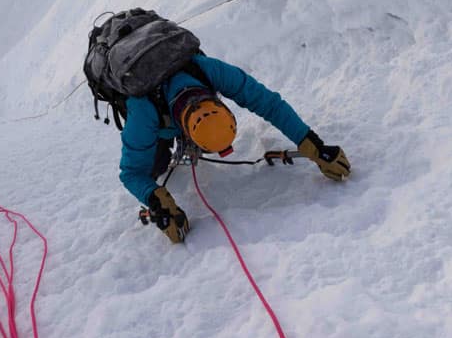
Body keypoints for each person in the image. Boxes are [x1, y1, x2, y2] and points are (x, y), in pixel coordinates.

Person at [120, 53, 352, 243]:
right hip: (154, 116)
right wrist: (157, 199)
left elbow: (269, 104)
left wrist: (315, 145)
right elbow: (131, 172)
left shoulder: (209, 70)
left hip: (172, 105)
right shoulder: (142, 114)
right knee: (155, 167)